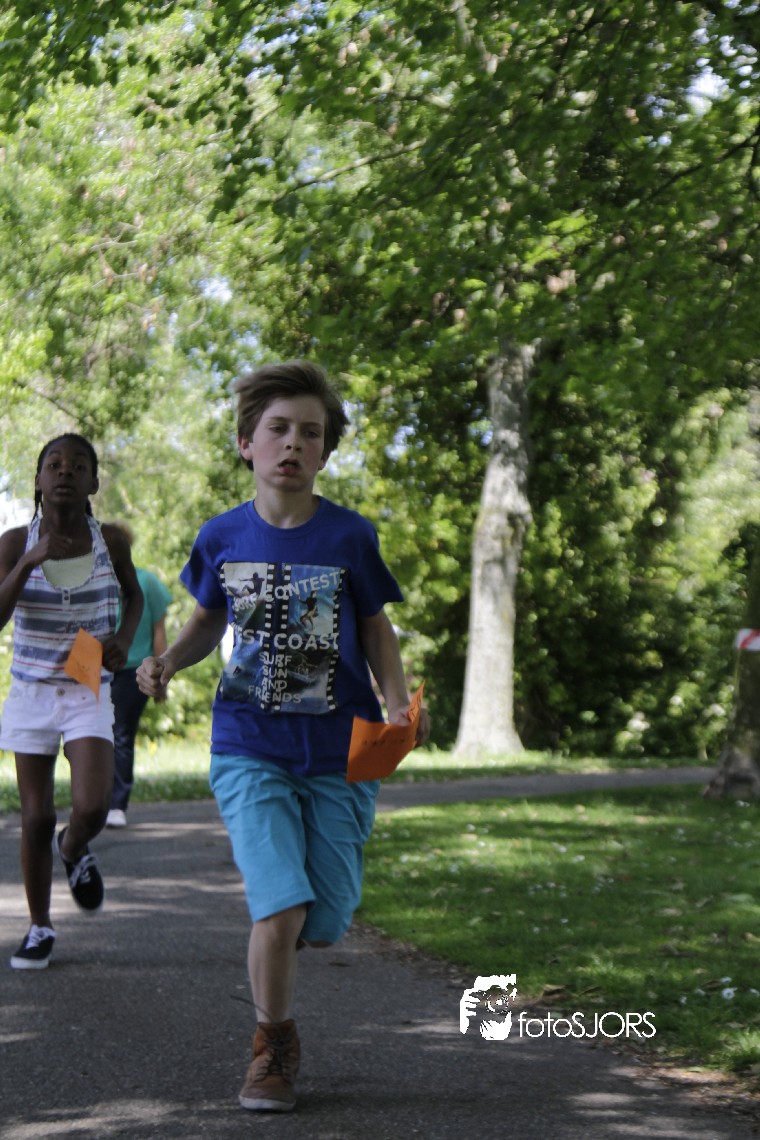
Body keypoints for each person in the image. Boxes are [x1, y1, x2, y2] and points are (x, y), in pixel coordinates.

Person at [137, 360, 430, 1113]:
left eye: (310, 432)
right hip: (249, 746)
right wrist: (166, 661)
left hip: (340, 751)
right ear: (247, 443)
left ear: (325, 451)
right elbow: (207, 619)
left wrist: (398, 704)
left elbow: (376, 627)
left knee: (324, 919)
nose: (293, 443)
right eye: (278, 429)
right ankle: (273, 1046)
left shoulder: (350, 536)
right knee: (280, 907)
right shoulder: (221, 535)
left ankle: (285, 935)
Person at [0, 434, 143, 970]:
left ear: (93, 482)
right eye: (54, 464)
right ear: (38, 481)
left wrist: (123, 639)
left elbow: (134, 595)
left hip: (87, 684)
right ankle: (39, 927)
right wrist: (28, 561)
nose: (65, 471)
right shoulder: (14, 542)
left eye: (78, 465)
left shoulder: (111, 542)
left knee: (92, 806)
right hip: (32, 688)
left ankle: (74, 847)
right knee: (35, 817)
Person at [105, 524, 172, 828]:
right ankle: (95, 799)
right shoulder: (94, 581)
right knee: (93, 735)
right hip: (95, 668)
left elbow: (159, 632)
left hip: (133, 671)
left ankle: (117, 804)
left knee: (121, 733)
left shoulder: (146, 582)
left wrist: (161, 676)